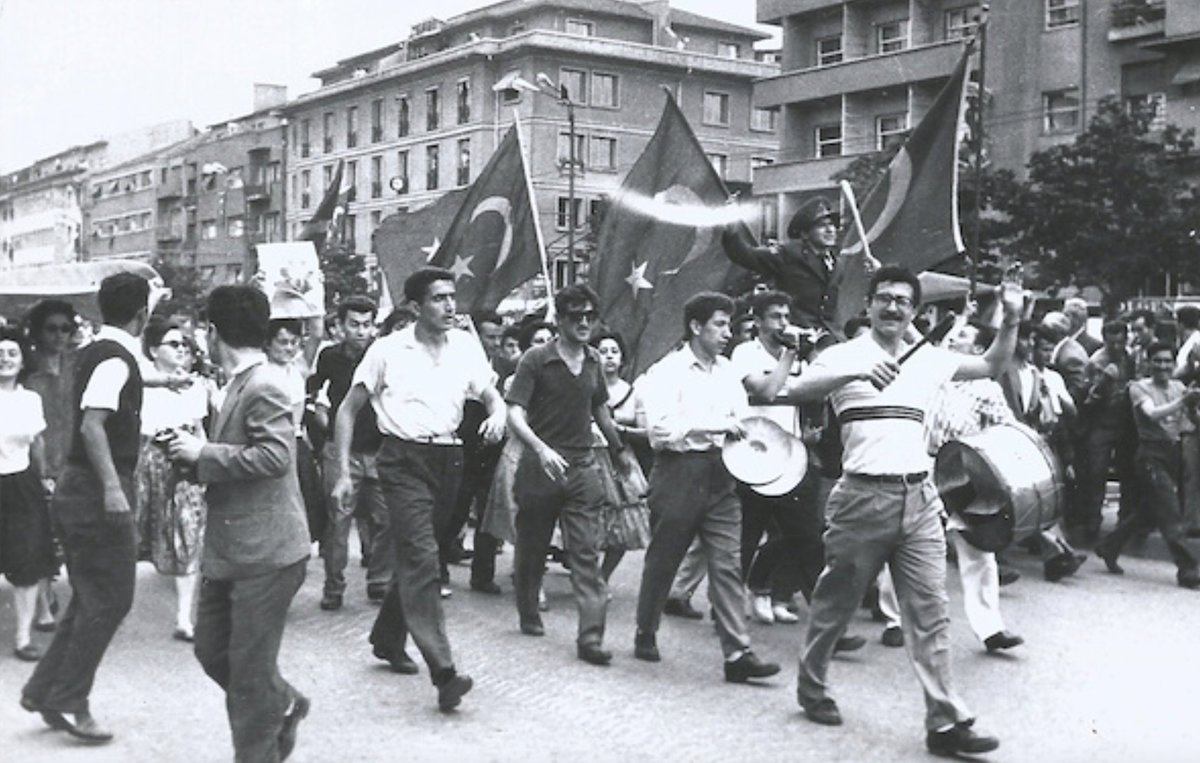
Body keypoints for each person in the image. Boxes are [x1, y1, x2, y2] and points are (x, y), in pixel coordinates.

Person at [788, 266, 1020, 757]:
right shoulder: (843, 356)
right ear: (868, 305)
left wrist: (1012, 320)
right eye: (884, 299)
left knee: (931, 614)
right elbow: (798, 389)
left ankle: (945, 722)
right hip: (860, 500)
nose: (893, 308)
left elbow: (990, 366)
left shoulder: (929, 360)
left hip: (918, 499)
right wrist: (856, 372)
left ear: (915, 311)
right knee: (835, 606)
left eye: (903, 301)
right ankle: (812, 686)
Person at [334, 267, 505, 711]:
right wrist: (342, 471)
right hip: (402, 459)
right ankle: (444, 671)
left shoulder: (465, 347)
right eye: (439, 298)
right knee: (424, 558)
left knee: (419, 556)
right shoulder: (388, 350)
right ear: (414, 306)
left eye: (452, 297)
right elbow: (347, 411)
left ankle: (387, 638)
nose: (450, 306)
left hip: (449, 459)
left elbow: (489, 393)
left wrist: (498, 411)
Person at [165, 285, 313, 762]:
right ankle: (282, 699)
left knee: (246, 681)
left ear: (211, 332)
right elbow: (242, 454)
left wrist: (203, 453)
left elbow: (275, 456)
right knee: (212, 651)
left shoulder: (264, 384)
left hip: (266, 554)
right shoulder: (238, 384)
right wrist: (191, 456)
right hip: (234, 550)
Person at [21, 272, 150, 743]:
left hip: (80, 484)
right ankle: (71, 700)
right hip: (99, 486)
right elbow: (94, 426)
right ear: (143, 313)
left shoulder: (96, 351)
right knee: (113, 598)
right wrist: (114, 489)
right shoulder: (116, 359)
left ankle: (43, 690)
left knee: (92, 596)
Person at [633, 291, 781, 684]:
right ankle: (645, 630)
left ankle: (737, 653)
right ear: (696, 327)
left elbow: (743, 419)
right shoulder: (668, 370)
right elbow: (660, 430)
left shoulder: (728, 371)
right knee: (664, 559)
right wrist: (714, 425)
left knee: (728, 564)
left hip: (721, 474)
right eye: (719, 324)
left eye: (729, 326)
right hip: (679, 470)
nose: (727, 333)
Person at [504, 286, 623, 666]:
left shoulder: (592, 362)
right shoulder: (536, 360)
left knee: (585, 552)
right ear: (560, 319)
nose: (584, 322)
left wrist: (623, 457)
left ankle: (591, 637)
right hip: (541, 467)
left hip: (583, 467)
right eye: (575, 316)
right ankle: (527, 608)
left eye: (590, 315)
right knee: (532, 547)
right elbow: (514, 414)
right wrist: (540, 449)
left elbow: (602, 413)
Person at [1095, 341, 1200, 588]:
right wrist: (1184, 401)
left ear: (1175, 364)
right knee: (1171, 513)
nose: (1163, 366)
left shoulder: (1178, 387)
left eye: (1167, 361)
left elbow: (1190, 423)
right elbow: (1151, 414)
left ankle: (1109, 546)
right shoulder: (1139, 388)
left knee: (1150, 512)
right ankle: (1188, 569)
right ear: (1148, 363)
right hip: (1150, 454)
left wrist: (1193, 407)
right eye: (1158, 361)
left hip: (1173, 452)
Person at [308, 295, 389, 609]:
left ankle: (379, 581)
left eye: (367, 325)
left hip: (380, 449)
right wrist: (319, 409)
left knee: (386, 520)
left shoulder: (382, 355)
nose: (361, 331)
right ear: (340, 326)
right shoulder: (329, 357)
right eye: (354, 324)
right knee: (338, 522)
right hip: (340, 449)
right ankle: (334, 587)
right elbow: (313, 388)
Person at [134, 317, 209, 642]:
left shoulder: (196, 386)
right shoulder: (143, 381)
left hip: (185, 462)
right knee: (139, 533)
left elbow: (199, 427)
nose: (181, 350)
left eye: (185, 345)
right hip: (151, 461)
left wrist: (205, 458)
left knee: (188, 533)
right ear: (153, 350)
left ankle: (183, 617)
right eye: (173, 344)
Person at [0, 326, 58, 660]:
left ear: (23, 361)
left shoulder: (30, 399)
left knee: (26, 560)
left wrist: (45, 477)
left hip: (22, 484)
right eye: (0, 353)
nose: (5, 359)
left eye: (12, 353)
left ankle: (23, 637)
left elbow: (38, 442)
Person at [721, 197, 847, 333]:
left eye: (832, 225)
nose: (830, 230)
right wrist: (731, 231)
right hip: (793, 332)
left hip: (828, 335)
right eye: (822, 225)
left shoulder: (837, 263)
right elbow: (745, 255)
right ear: (805, 234)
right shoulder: (788, 253)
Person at [590, 330, 652, 582]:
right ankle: (587, 575)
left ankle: (602, 577)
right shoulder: (586, 386)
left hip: (620, 460)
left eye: (614, 351)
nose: (609, 357)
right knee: (586, 524)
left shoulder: (632, 392)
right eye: (603, 352)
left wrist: (622, 430)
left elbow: (647, 432)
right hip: (589, 457)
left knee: (626, 525)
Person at [1077, 319, 1139, 540]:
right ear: (1104, 340)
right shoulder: (1095, 362)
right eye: (1111, 343)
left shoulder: (1129, 358)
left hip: (1124, 424)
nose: (1116, 348)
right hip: (1101, 425)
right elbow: (1087, 400)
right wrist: (1103, 384)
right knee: (1097, 474)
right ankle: (1093, 523)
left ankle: (1124, 524)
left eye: (1120, 342)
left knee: (1128, 474)